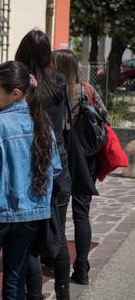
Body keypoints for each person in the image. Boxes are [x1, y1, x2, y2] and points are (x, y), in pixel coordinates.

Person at [0, 60, 62, 300]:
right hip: (31, 213)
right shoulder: (42, 124)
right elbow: (55, 168)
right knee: (15, 280)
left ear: (15, 93)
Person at [16, 30, 72, 300]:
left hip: (28, 164)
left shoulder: (19, 83)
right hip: (57, 161)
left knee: (28, 242)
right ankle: (63, 291)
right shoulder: (58, 80)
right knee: (56, 233)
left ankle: (34, 296)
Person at [52, 49, 108, 286]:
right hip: (87, 158)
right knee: (81, 213)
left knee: (58, 212)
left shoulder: (54, 91)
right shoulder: (86, 88)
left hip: (62, 157)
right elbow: (105, 117)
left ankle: (56, 260)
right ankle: (82, 268)